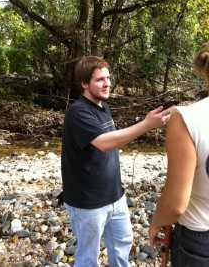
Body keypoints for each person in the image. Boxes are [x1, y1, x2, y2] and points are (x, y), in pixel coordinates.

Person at [61, 56, 172, 267]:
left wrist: (115, 178)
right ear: (84, 84)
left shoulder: (103, 106)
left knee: (122, 242)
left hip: (114, 195)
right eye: (100, 79)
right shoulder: (78, 112)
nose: (107, 83)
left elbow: (109, 147)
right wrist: (146, 124)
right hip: (87, 202)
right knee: (88, 256)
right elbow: (103, 143)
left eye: (108, 78)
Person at [148, 43, 209, 267]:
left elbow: (175, 205)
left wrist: (156, 222)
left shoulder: (187, 118)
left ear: (204, 70)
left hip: (201, 240)